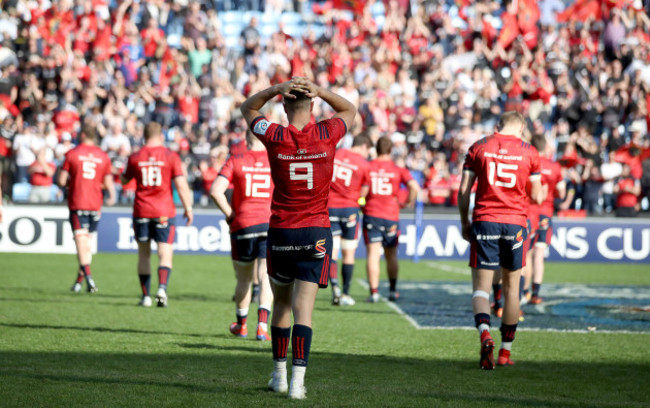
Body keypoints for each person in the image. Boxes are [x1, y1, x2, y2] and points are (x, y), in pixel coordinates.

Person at [240, 77, 355, 399]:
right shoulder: (326, 133)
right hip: (316, 231)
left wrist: (274, 89)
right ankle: (297, 383)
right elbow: (350, 109)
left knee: (282, 304)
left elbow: (247, 107)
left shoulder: (275, 135)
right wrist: (321, 90)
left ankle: (278, 375)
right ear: (313, 106)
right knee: (305, 309)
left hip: (281, 231)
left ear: (285, 106)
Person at [458, 111, 543, 370]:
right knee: (511, 287)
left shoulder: (479, 146)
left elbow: (464, 191)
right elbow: (537, 195)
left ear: (498, 125)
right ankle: (505, 352)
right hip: (516, 223)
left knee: (481, 290)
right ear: (521, 128)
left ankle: (485, 333)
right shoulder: (530, 152)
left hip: (485, 219)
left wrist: (465, 222)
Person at [211, 130, 274, 341]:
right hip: (269, 223)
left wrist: (229, 214)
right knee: (266, 276)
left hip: (243, 225)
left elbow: (215, 191)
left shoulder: (236, 159)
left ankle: (242, 325)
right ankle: (262, 327)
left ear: (246, 140)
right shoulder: (275, 160)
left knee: (244, 279)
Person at [123, 122, 194, 307]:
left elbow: (124, 179)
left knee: (144, 255)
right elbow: (181, 184)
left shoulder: (135, 156)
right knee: (165, 252)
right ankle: (162, 289)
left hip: (141, 210)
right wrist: (188, 208)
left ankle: (146, 296)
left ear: (144, 136)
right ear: (161, 136)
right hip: (164, 211)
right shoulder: (170, 156)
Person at [58, 125, 116, 293]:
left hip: (78, 202)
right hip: (95, 204)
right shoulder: (103, 156)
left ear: (82, 135)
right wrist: (112, 195)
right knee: (86, 244)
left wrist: (74, 182)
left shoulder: (73, 154)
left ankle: (89, 279)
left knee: (81, 243)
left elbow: (62, 181)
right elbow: (107, 181)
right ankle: (79, 282)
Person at [363, 136, 420, 303]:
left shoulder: (368, 166)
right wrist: (408, 201)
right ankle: (393, 290)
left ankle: (374, 292)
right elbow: (415, 187)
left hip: (372, 213)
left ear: (377, 149)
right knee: (391, 254)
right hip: (391, 215)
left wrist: (361, 204)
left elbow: (361, 190)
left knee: (373, 254)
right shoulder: (397, 169)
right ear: (390, 150)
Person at [327, 134, 372, 306]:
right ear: (364, 146)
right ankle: (345, 293)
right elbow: (364, 191)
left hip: (330, 207)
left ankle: (335, 287)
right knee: (349, 253)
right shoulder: (364, 164)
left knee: (333, 250)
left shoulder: (336, 154)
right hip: (350, 210)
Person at [528, 134, 565, 305]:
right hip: (546, 212)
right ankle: (536, 293)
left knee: (526, 254)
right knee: (539, 254)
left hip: (528, 211)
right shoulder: (555, 166)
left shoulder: (529, 162)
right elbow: (562, 192)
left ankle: (524, 291)